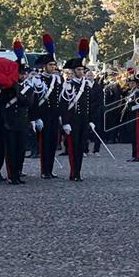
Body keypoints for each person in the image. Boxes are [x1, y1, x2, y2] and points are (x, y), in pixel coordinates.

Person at [60, 49, 100, 181]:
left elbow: (89, 104)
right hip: (72, 121)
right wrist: (65, 122)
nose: (81, 72)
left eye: (82, 70)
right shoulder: (68, 85)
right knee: (73, 147)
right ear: (73, 71)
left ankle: (78, 171)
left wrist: (91, 120)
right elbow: (64, 106)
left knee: (81, 147)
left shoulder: (86, 85)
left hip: (83, 120)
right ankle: (73, 172)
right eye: (78, 70)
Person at [35, 40, 64, 178]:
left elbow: (59, 99)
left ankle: (50, 170)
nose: (53, 67)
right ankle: (44, 170)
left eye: (54, 65)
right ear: (44, 66)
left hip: (54, 115)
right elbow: (35, 100)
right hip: (43, 115)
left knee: (53, 144)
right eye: (50, 65)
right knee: (44, 144)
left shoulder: (57, 80)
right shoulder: (39, 79)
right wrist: (36, 117)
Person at [1, 63, 33, 184]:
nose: (23, 76)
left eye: (25, 74)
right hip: (10, 123)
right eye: (21, 73)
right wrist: (5, 121)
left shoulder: (28, 89)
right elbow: (2, 105)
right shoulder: (7, 88)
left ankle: (18, 173)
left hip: (22, 123)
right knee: (11, 150)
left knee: (21, 150)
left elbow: (27, 103)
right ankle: (11, 175)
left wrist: (18, 90)